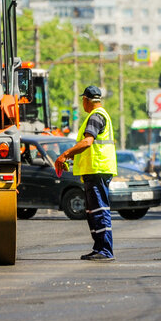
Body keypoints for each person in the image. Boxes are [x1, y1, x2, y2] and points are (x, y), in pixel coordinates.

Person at [55, 85, 118, 261]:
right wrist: (73, 159)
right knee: (93, 211)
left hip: (97, 170)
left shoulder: (95, 116)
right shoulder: (100, 115)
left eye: (83, 100)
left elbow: (88, 142)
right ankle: (99, 248)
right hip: (95, 169)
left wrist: (65, 154)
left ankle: (105, 250)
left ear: (86, 100)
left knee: (99, 210)